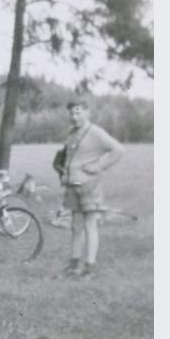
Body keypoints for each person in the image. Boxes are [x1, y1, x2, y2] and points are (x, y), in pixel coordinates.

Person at [54, 99, 124, 277]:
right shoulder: (72, 133)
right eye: (72, 113)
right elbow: (68, 158)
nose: (74, 116)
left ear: (87, 113)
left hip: (90, 185)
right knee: (75, 226)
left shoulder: (95, 132)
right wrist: (64, 172)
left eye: (78, 112)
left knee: (90, 225)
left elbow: (118, 150)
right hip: (73, 184)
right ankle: (73, 266)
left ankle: (89, 269)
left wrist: (99, 167)